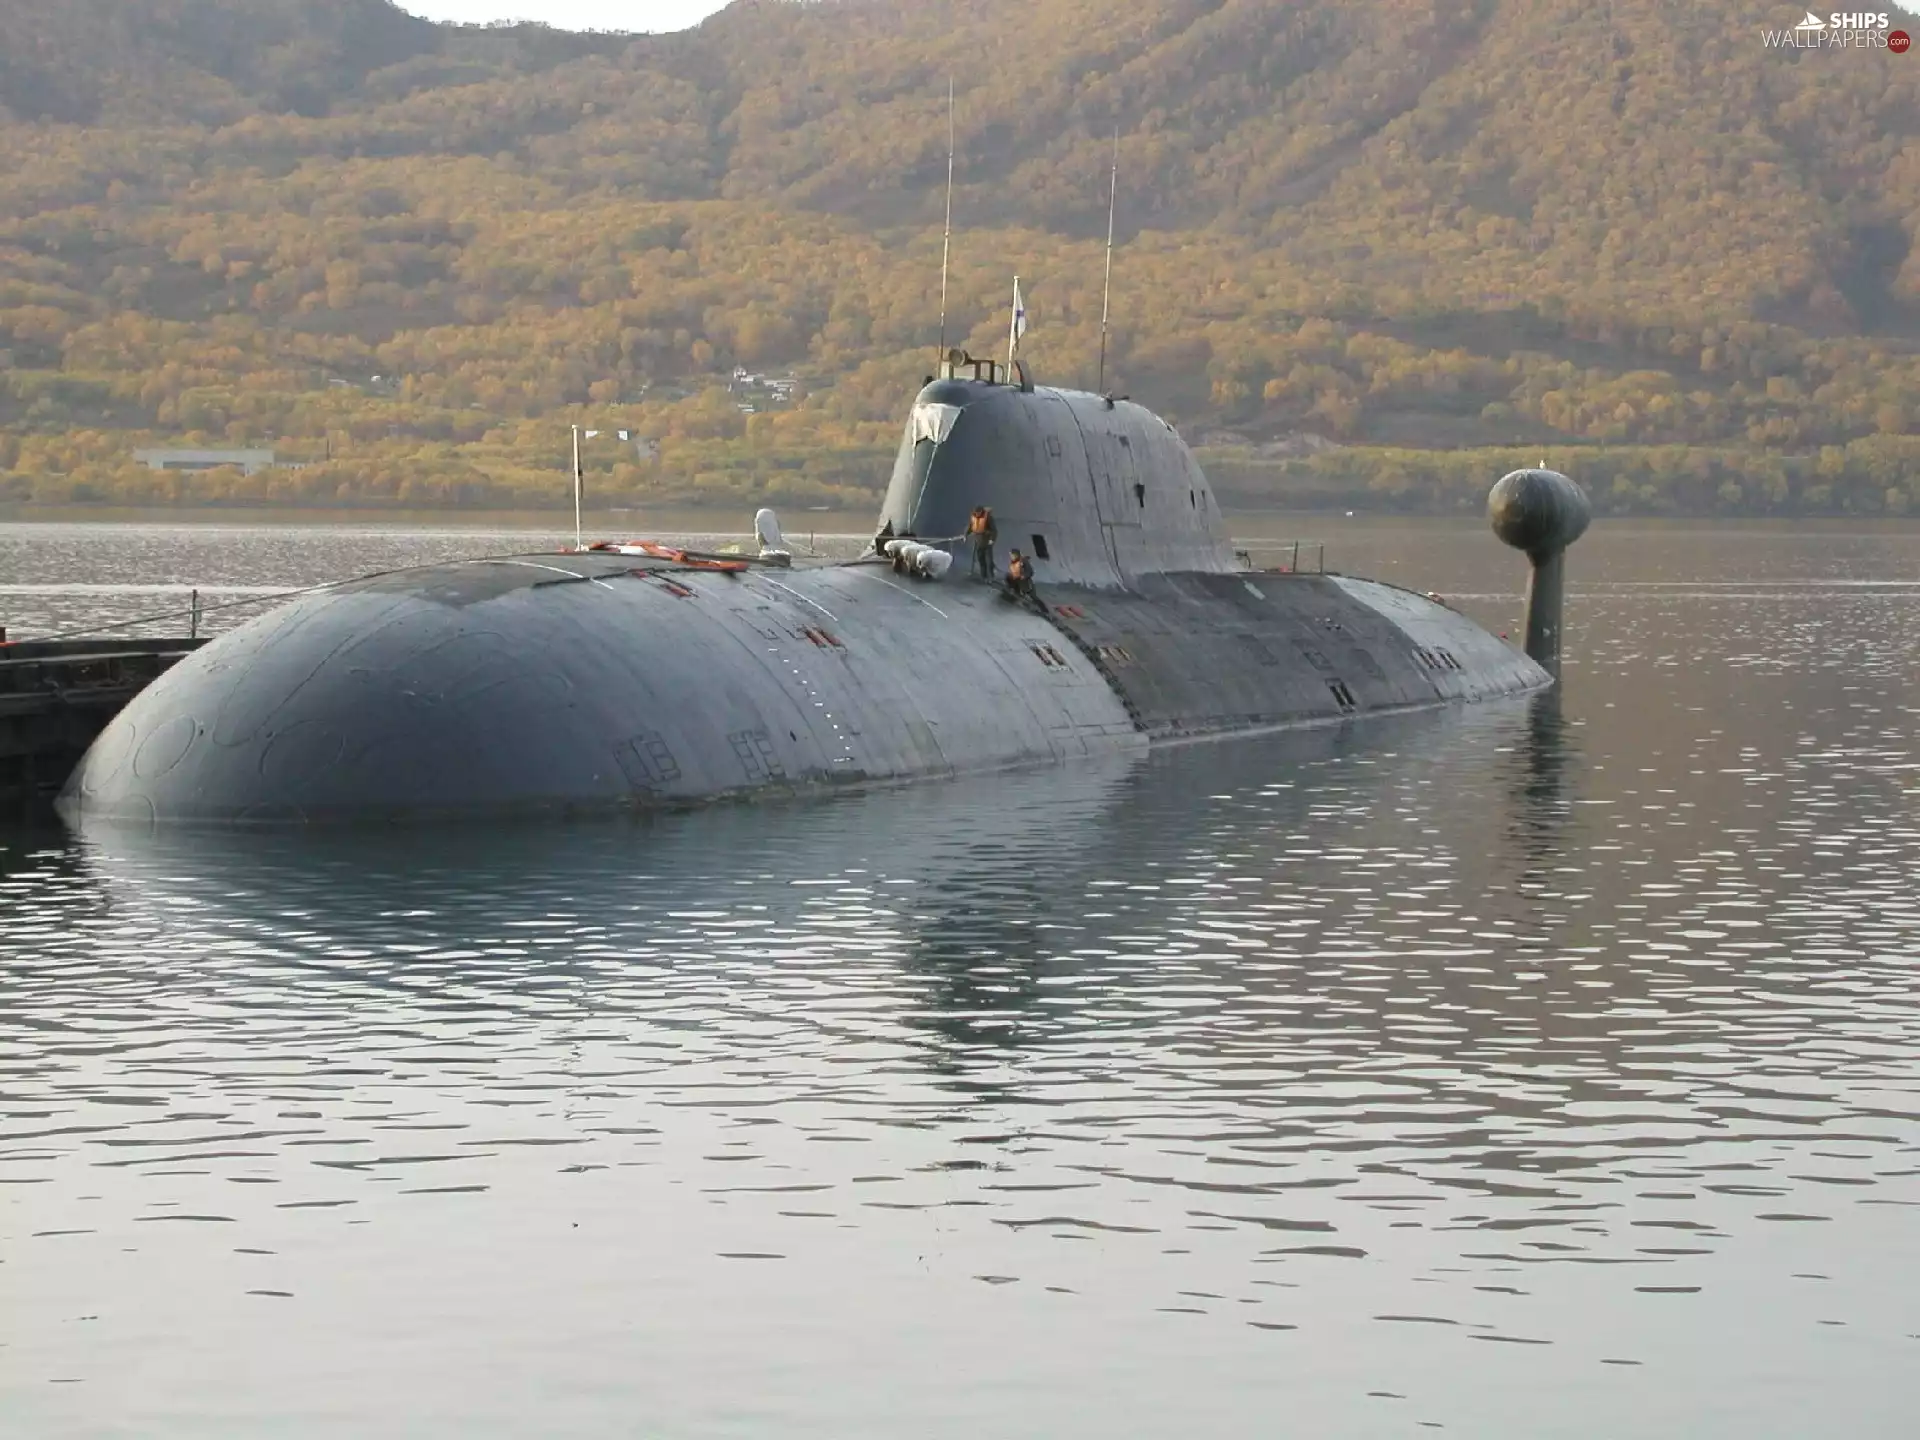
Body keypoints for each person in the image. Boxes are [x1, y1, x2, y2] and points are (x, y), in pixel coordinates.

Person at [967, 505, 997, 580]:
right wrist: (965, 535)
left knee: (989, 561)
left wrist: (992, 540)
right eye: (976, 513)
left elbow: (994, 531)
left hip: (987, 542)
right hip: (978, 542)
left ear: (981, 511)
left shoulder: (988, 518)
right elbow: (970, 527)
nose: (977, 514)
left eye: (978, 513)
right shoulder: (974, 517)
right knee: (981, 559)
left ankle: (991, 576)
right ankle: (984, 576)